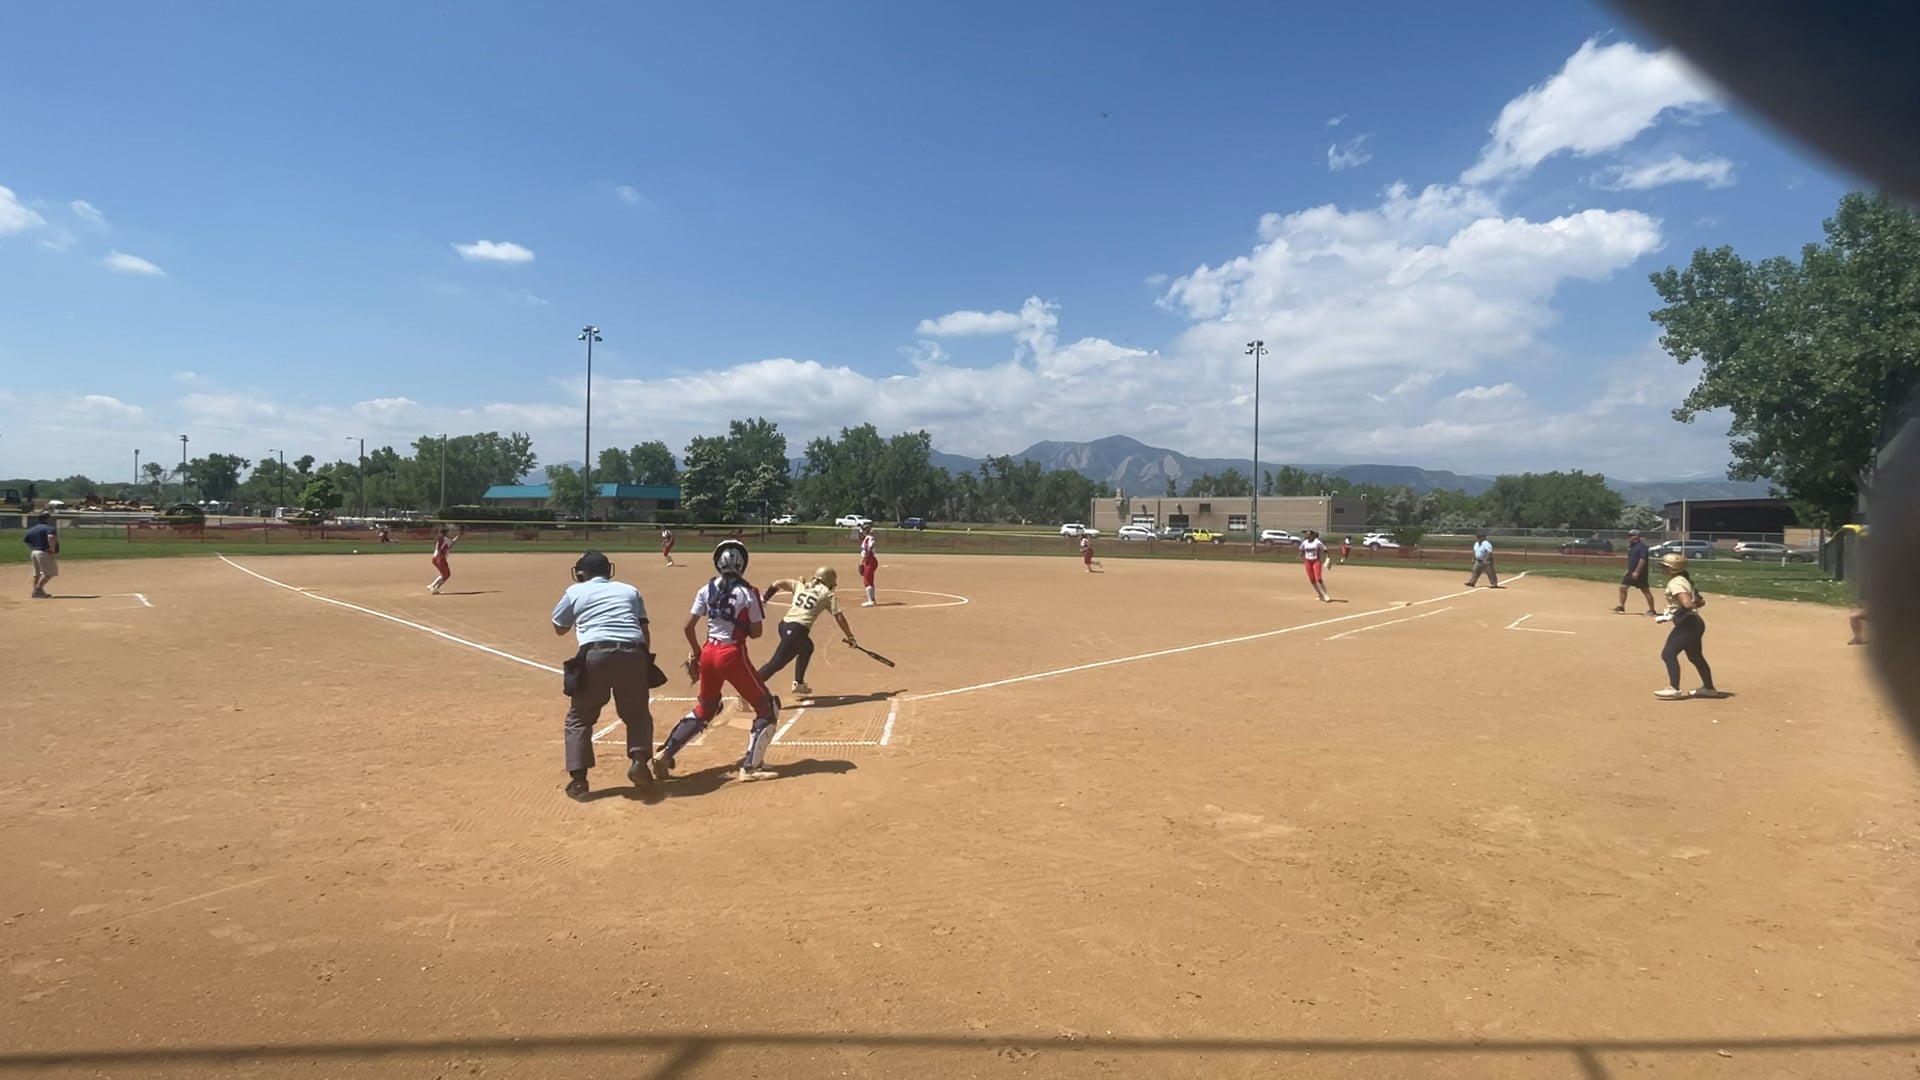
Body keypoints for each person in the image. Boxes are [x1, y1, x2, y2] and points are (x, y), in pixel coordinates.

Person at [650, 540, 781, 782]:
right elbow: (756, 633)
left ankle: (665, 753)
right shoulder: (748, 593)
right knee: (767, 708)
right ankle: (751, 768)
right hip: (732, 654)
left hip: (709, 652)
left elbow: (688, 627)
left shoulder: (706, 589)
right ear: (742, 565)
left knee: (706, 707)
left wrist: (697, 654)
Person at [550, 551, 657, 801]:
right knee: (637, 713)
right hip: (634, 653)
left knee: (580, 717)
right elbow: (643, 631)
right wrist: (643, 663)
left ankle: (579, 781)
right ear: (608, 571)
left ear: (581, 573)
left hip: (595, 655)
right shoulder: (630, 590)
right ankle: (639, 760)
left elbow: (559, 628)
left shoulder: (575, 591)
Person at [757, 567, 857, 698]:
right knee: (776, 664)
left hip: (784, 626)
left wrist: (765, 598)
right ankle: (748, 687)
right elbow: (839, 616)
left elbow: (777, 583)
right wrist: (850, 636)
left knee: (807, 647)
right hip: (797, 631)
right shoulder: (827, 594)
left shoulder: (801, 585)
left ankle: (799, 683)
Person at [1654, 553, 1723, 700]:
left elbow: (1687, 604)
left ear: (1674, 569)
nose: (1662, 568)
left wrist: (1671, 615)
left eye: (1665, 566)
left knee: (1668, 654)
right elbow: (1700, 601)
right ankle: (1709, 688)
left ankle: (1674, 688)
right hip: (1694, 623)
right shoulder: (1684, 580)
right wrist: (1674, 613)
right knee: (1695, 657)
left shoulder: (1676, 582)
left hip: (1687, 624)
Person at [1615, 530, 1657, 616]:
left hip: (1640, 573)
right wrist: (1628, 569)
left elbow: (1643, 559)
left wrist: (1637, 571)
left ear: (1636, 536)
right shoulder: (1631, 547)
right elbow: (1631, 560)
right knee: (1623, 588)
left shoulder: (1642, 547)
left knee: (1645, 591)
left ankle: (1652, 610)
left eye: (1631, 535)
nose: (1629, 537)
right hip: (1631, 572)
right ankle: (1621, 607)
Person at [24, 513, 58, 599]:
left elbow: (26, 541)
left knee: (37, 573)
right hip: (44, 553)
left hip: (34, 552)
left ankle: (35, 591)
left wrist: (33, 548)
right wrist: (52, 550)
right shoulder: (50, 528)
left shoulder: (32, 529)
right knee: (50, 573)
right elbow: (51, 537)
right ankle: (38, 589)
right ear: (47, 519)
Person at [1299, 529, 1331, 602]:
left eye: (1309, 535)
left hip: (1316, 561)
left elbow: (1325, 550)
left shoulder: (1317, 542)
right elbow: (1301, 549)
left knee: (1318, 578)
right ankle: (1320, 595)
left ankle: (1326, 595)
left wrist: (1328, 558)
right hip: (1308, 562)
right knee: (1312, 580)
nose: (1308, 536)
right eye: (1307, 535)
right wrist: (1301, 554)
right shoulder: (1305, 542)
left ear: (1313, 535)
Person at [428, 526, 460, 594]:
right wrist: (440, 557)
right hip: (439, 558)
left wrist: (457, 538)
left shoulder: (445, 539)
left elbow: (450, 545)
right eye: (449, 531)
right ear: (446, 532)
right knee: (446, 574)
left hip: (439, 558)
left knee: (446, 574)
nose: (450, 533)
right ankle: (432, 586)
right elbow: (441, 547)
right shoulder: (442, 538)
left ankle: (436, 588)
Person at [857, 523, 878, 606]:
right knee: (869, 580)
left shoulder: (868, 538)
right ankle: (872, 600)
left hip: (870, 560)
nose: (861, 531)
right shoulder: (868, 538)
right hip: (870, 560)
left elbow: (868, 550)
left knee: (867, 580)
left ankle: (871, 601)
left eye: (863, 530)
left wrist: (863, 561)